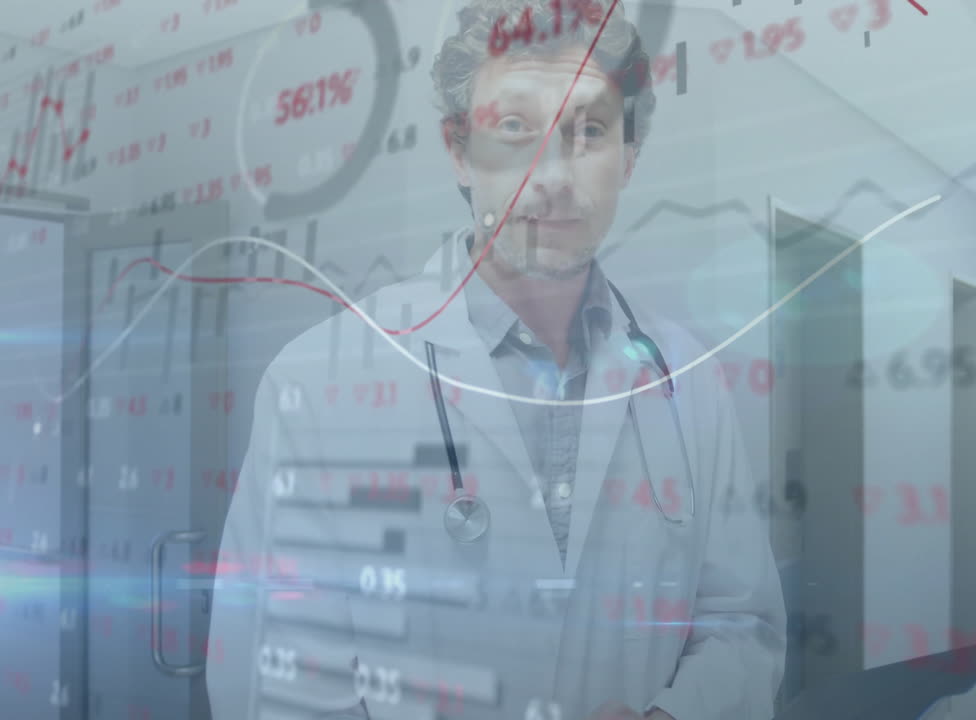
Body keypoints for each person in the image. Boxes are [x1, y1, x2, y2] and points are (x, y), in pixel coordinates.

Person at [206, 2, 786, 719]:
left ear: (629, 157)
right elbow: (271, 684)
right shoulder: (320, 381)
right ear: (458, 150)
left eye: (590, 131)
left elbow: (742, 623)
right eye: (513, 129)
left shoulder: (687, 379)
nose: (551, 177)